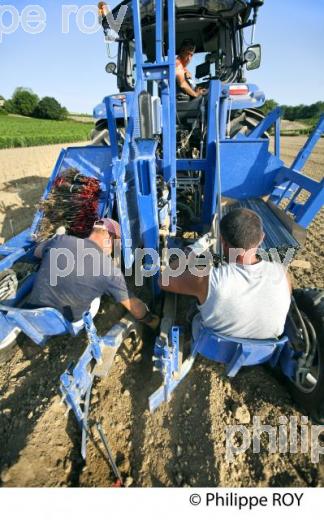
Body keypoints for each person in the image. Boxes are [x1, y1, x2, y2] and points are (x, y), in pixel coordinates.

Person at [159, 208, 292, 340]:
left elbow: (163, 280)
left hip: (215, 346)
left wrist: (195, 248)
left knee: (196, 301)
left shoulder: (207, 279)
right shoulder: (282, 274)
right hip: (265, 348)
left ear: (222, 241)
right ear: (262, 238)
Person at [27, 218, 159, 329]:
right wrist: (150, 319)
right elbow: (133, 305)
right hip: (63, 324)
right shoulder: (109, 270)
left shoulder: (60, 240)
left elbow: (36, 252)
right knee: (98, 294)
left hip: (33, 315)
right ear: (110, 238)